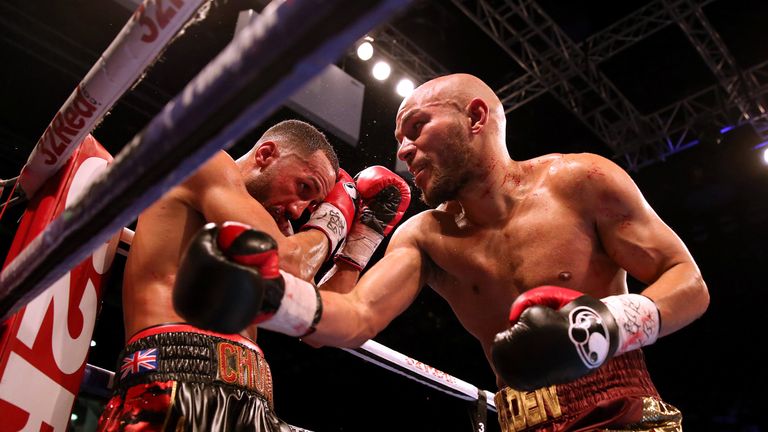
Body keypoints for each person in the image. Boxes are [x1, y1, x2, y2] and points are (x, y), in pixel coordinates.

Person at [175, 74, 709, 431]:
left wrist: (606, 325)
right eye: (399, 139)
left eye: (416, 128)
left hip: (620, 407)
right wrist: (269, 293)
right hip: (520, 419)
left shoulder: (583, 181)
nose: (403, 150)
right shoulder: (425, 236)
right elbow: (355, 316)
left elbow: (687, 281)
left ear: (476, 117)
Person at [97, 119, 409, 432]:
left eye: (314, 205)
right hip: (179, 381)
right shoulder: (204, 162)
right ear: (266, 154)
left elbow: (321, 322)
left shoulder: (274, 234)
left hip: (255, 401)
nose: (300, 212)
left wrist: (362, 240)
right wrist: (336, 216)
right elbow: (291, 262)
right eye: (304, 187)